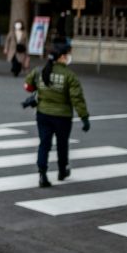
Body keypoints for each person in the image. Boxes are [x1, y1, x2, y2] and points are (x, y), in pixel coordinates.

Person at [23, 42, 90, 188]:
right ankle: (62, 170)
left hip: (43, 114)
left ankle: (42, 174)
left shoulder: (39, 71)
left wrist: (38, 89)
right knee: (62, 144)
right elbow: (77, 98)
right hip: (62, 117)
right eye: (67, 55)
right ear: (62, 57)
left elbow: (28, 86)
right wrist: (84, 118)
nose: (69, 57)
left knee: (44, 144)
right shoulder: (69, 76)